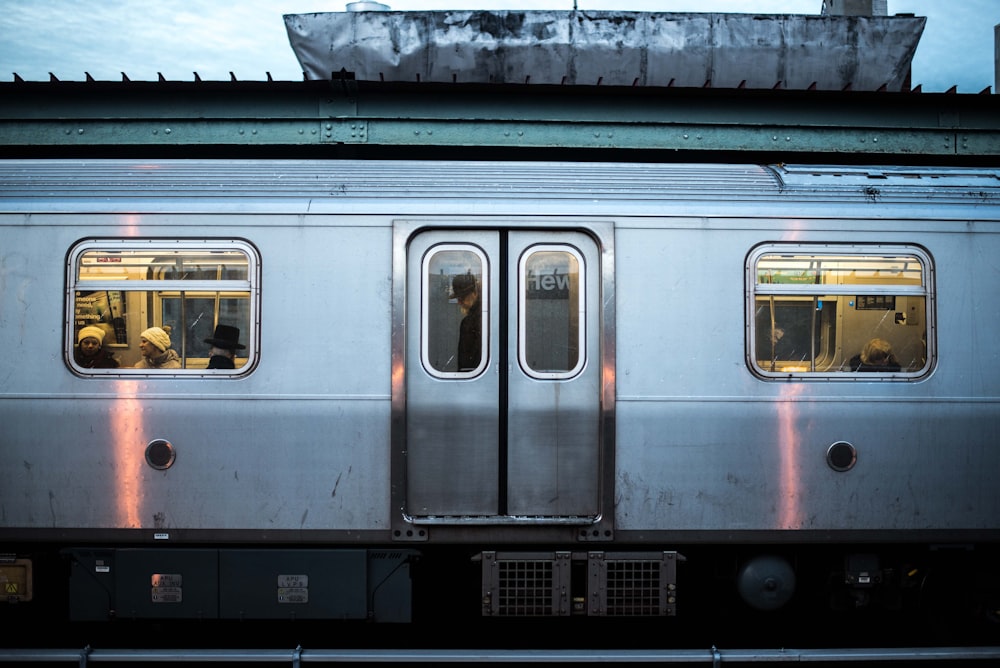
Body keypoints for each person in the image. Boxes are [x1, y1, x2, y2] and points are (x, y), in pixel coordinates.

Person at [451, 272, 482, 372]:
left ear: (475, 293)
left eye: (462, 297)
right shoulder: (488, 315)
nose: (459, 302)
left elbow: (466, 363)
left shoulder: (470, 322)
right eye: (458, 298)